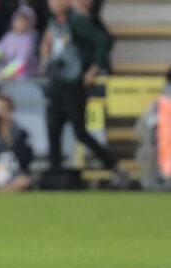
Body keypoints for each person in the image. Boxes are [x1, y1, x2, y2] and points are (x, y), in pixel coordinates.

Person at [40, 0, 123, 182]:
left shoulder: (77, 21)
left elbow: (103, 41)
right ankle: (56, 172)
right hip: (57, 83)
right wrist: (45, 56)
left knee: (80, 132)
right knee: (53, 128)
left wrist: (93, 70)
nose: (52, 3)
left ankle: (114, 167)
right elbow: (49, 42)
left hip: (73, 84)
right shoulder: (55, 21)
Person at [0, 5, 38, 81]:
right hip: (4, 76)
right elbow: (0, 48)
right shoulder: (9, 36)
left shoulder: (29, 40)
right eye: (19, 20)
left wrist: (5, 74)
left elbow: (21, 62)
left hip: (22, 79)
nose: (21, 23)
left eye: (25, 21)